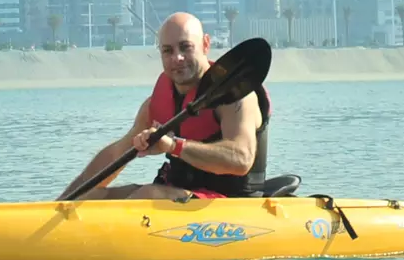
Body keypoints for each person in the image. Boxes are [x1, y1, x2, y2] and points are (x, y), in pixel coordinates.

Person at [59, 12, 270, 201]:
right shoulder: (156, 104)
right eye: (168, 51)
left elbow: (241, 159)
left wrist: (173, 146)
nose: (177, 58)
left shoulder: (236, 97)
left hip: (230, 201)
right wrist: (61, 202)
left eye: (185, 47)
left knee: (147, 195)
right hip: (179, 192)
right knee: (91, 197)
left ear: (205, 44)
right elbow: (117, 154)